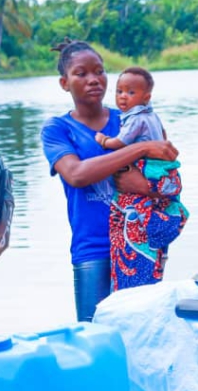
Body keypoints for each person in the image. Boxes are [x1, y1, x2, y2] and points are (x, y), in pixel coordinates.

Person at [40, 40, 178, 321]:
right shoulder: (57, 129)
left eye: (99, 71)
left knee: (142, 329)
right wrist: (140, 148)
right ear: (64, 83)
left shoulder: (135, 120)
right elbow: (76, 175)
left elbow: (169, 181)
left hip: (138, 243)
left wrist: (144, 185)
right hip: (93, 248)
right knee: (94, 333)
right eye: (81, 74)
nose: (93, 80)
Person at [95, 66, 188, 291]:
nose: (123, 97)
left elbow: (120, 142)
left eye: (130, 92)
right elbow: (164, 139)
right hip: (160, 172)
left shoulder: (135, 119)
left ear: (146, 97)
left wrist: (104, 141)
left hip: (146, 174)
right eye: (119, 91)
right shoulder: (152, 116)